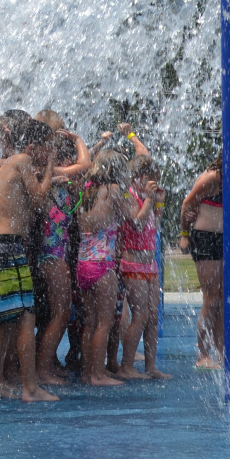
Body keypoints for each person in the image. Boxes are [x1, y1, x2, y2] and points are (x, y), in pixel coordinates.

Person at [0, 110, 57, 403]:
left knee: (7, 321)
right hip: (7, 245)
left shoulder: (10, 165)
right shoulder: (22, 160)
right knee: (25, 316)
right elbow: (38, 200)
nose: (51, 153)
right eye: (47, 148)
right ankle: (30, 388)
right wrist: (48, 170)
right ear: (33, 147)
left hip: (0, 244)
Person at [75, 151, 148, 386]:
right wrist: (148, 200)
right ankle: (98, 375)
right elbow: (136, 222)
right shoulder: (113, 190)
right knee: (104, 323)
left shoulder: (87, 192)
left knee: (90, 322)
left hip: (83, 265)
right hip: (102, 266)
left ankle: (88, 373)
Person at [32, 112, 92, 386]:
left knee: (55, 314)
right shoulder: (52, 173)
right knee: (59, 314)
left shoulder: (50, 175)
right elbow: (85, 163)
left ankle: (45, 366)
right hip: (52, 255)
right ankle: (43, 370)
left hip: (51, 253)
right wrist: (78, 139)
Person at [116, 156, 168, 380]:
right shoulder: (128, 195)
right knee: (140, 315)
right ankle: (127, 366)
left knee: (153, 316)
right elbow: (136, 224)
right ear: (140, 177)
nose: (153, 184)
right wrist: (148, 199)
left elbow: (153, 226)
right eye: (151, 180)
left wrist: (160, 205)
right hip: (133, 261)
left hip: (150, 264)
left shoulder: (145, 197)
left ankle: (151, 366)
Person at [180, 155, 226, 368]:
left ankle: (222, 351)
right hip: (205, 238)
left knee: (223, 300)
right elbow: (187, 203)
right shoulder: (210, 178)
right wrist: (184, 235)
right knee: (211, 298)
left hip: (224, 240)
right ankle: (203, 355)